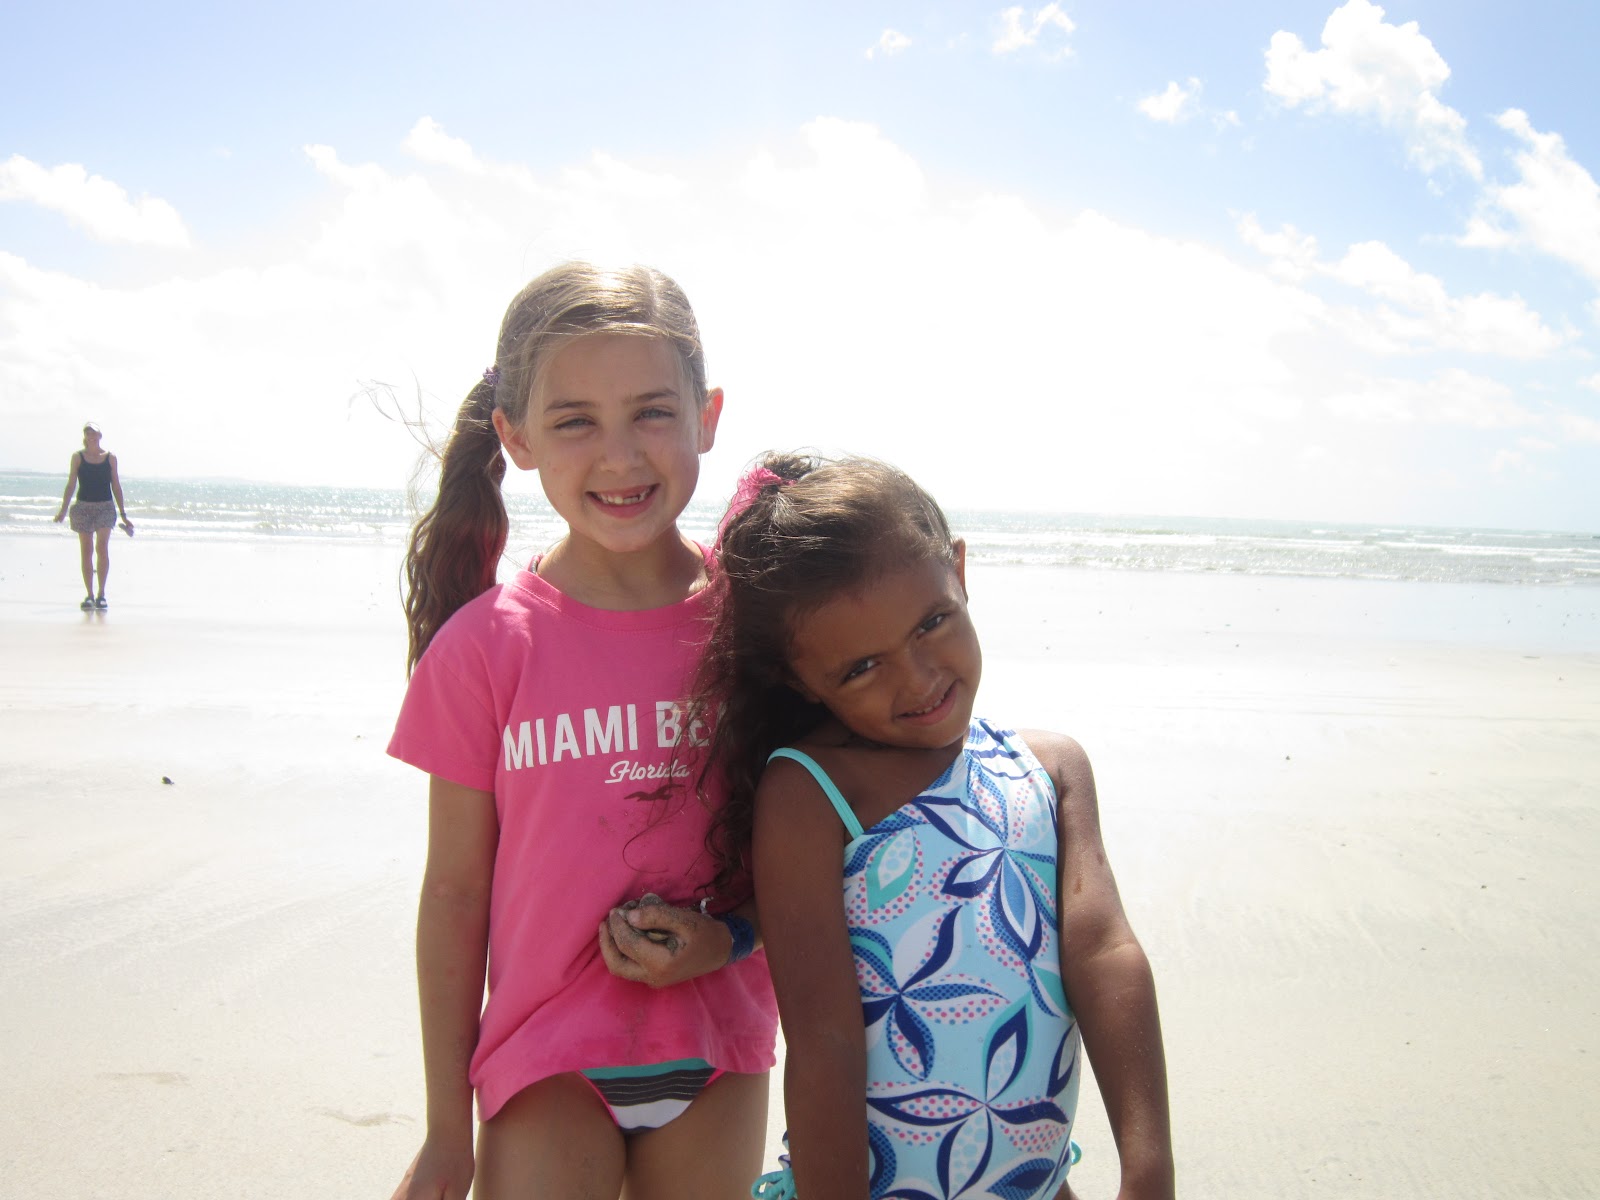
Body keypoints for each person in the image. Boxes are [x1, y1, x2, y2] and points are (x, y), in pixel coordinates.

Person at [386, 262, 778, 1200]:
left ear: (707, 416)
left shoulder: (760, 623)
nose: (620, 456)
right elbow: (454, 893)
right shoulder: (485, 648)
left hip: (718, 1050)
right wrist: (445, 1131)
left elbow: (807, 845)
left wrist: (726, 940)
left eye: (652, 412)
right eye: (575, 422)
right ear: (516, 438)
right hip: (545, 1062)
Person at [694, 453, 1175, 1200]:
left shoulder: (1049, 771)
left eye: (932, 623)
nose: (917, 679)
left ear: (958, 570)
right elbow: (823, 1041)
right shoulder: (814, 793)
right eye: (861, 668)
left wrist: (1149, 1169)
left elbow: (1105, 954)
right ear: (798, 677)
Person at [53, 422, 132, 610]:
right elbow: (71, 484)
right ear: (85, 437)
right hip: (83, 507)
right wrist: (63, 510)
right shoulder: (78, 457)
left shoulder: (110, 458)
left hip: (105, 507)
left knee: (102, 547)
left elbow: (116, 485)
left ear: (100, 436)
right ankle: (89, 595)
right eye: (88, 433)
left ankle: (101, 594)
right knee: (86, 550)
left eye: (94, 433)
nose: (91, 436)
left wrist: (123, 514)